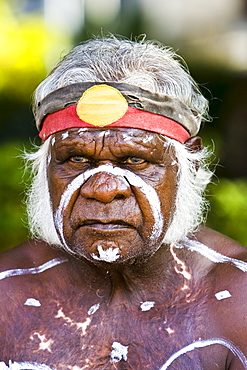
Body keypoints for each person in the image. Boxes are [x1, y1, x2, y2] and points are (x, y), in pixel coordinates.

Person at [0, 36, 247, 370]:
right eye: (76, 159)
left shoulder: (237, 301)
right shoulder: (7, 294)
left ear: (190, 164)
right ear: (44, 168)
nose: (103, 190)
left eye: (134, 160)